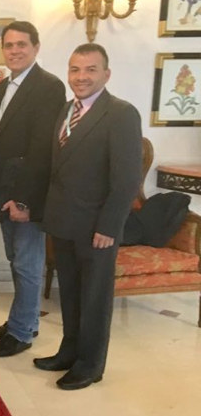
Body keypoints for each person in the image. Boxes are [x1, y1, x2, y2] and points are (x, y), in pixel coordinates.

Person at [37, 43, 141, 390]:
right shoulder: (66, 110)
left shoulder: (121, 113)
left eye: (90, 69)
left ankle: (90, 365)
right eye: (75, 69)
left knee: (94, 299)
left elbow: (126, 179)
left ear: (106, 74)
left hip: (97, 228)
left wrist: (109, 226)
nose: (81, 77)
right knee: (70, 294)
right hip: (63, 222)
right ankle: (69, 352)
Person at [0, 21, 66, 357]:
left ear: (36, 47)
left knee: (27, 265)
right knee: (15, 260)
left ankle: (21, 334)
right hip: (5, 188)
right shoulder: (2, 87)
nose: (14, 51)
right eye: (9, 45)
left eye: (21, 44)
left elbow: (42, 150)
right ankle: (25, 320)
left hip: (26, 194)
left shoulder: (48, 86)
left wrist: (25, 201)